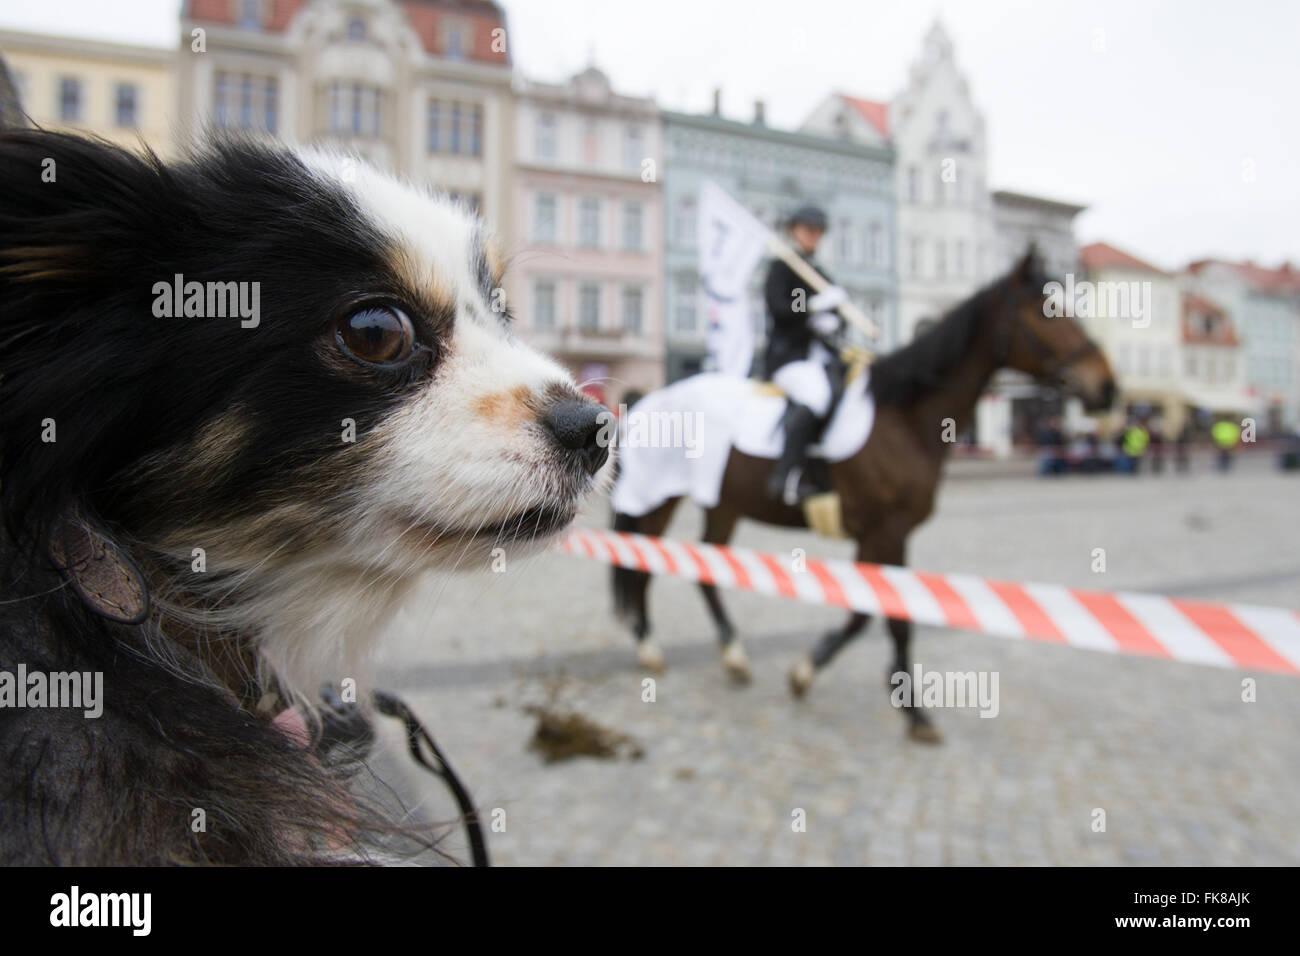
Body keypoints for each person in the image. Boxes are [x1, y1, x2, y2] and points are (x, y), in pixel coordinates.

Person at [762, 204, 849, 503]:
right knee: (815, 396)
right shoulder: (782, 268)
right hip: (790, 358)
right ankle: (785, 476)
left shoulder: (821, 275)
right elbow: (780, 310)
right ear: (794, 230)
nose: (813, 236)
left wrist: (835, 319)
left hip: (822, 358)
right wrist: (812, 309)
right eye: (807, 229)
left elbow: (840, 319)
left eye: (818, 231)